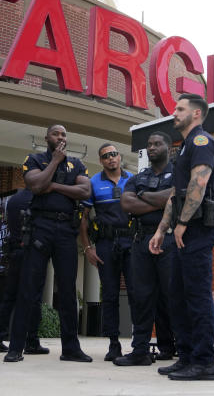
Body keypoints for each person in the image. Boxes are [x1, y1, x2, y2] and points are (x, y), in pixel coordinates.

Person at [4, 124, 92, 363]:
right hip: (40, 228)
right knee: (28, 289)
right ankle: (16, 348)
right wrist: (54, 162)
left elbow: (85, 191)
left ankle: (71, 349)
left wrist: (52, 186)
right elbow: (35, 185)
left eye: (64, 134)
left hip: (66, 230)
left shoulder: (77, 164)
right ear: (47, 138)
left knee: (67, 291)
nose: (61, 137)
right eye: (56, 133)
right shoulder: (34, 159)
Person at [149, 94, 214, 381]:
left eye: (180, 109)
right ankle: (188, 357)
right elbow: (176, 194)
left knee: (197, 296)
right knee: (178, 296)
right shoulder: (184, 147)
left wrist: (182, 223)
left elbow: (199, 183)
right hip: (184, 229)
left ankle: (205, 362)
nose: (174, 113)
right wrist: (161, 229)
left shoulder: (202, 142)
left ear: (196, 114)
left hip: (198, 230)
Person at [114, 131, 178, 366]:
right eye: (149, 144)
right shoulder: (139, 177)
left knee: (172, 297)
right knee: (141, 298)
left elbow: (177, 197)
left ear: (168, 148)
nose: (152, 147)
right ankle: (140, 350)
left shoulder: (179, 174)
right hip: (141, 241)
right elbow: (126, 203)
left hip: (170, 241)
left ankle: (181, 350)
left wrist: (144, 197)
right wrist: (160, 200)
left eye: (157, 143)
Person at [79, 144, 134, 361]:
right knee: (110, 295)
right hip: (105, 244)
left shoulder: (133, 180)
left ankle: (140, 344)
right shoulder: (93, 182)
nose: (111, 159)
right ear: (101, 161)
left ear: (119, 157)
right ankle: (113, 344)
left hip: (130, 241)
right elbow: (83, 219)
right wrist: (87, 248)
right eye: (106, 156)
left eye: (114, 154)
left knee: (136, 293)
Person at [0, 188, 47, 355]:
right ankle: (32, 341)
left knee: (9, 296)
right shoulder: (37, 198)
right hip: (31, 251)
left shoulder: (14, 199)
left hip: (14, 251)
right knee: (34, 296)